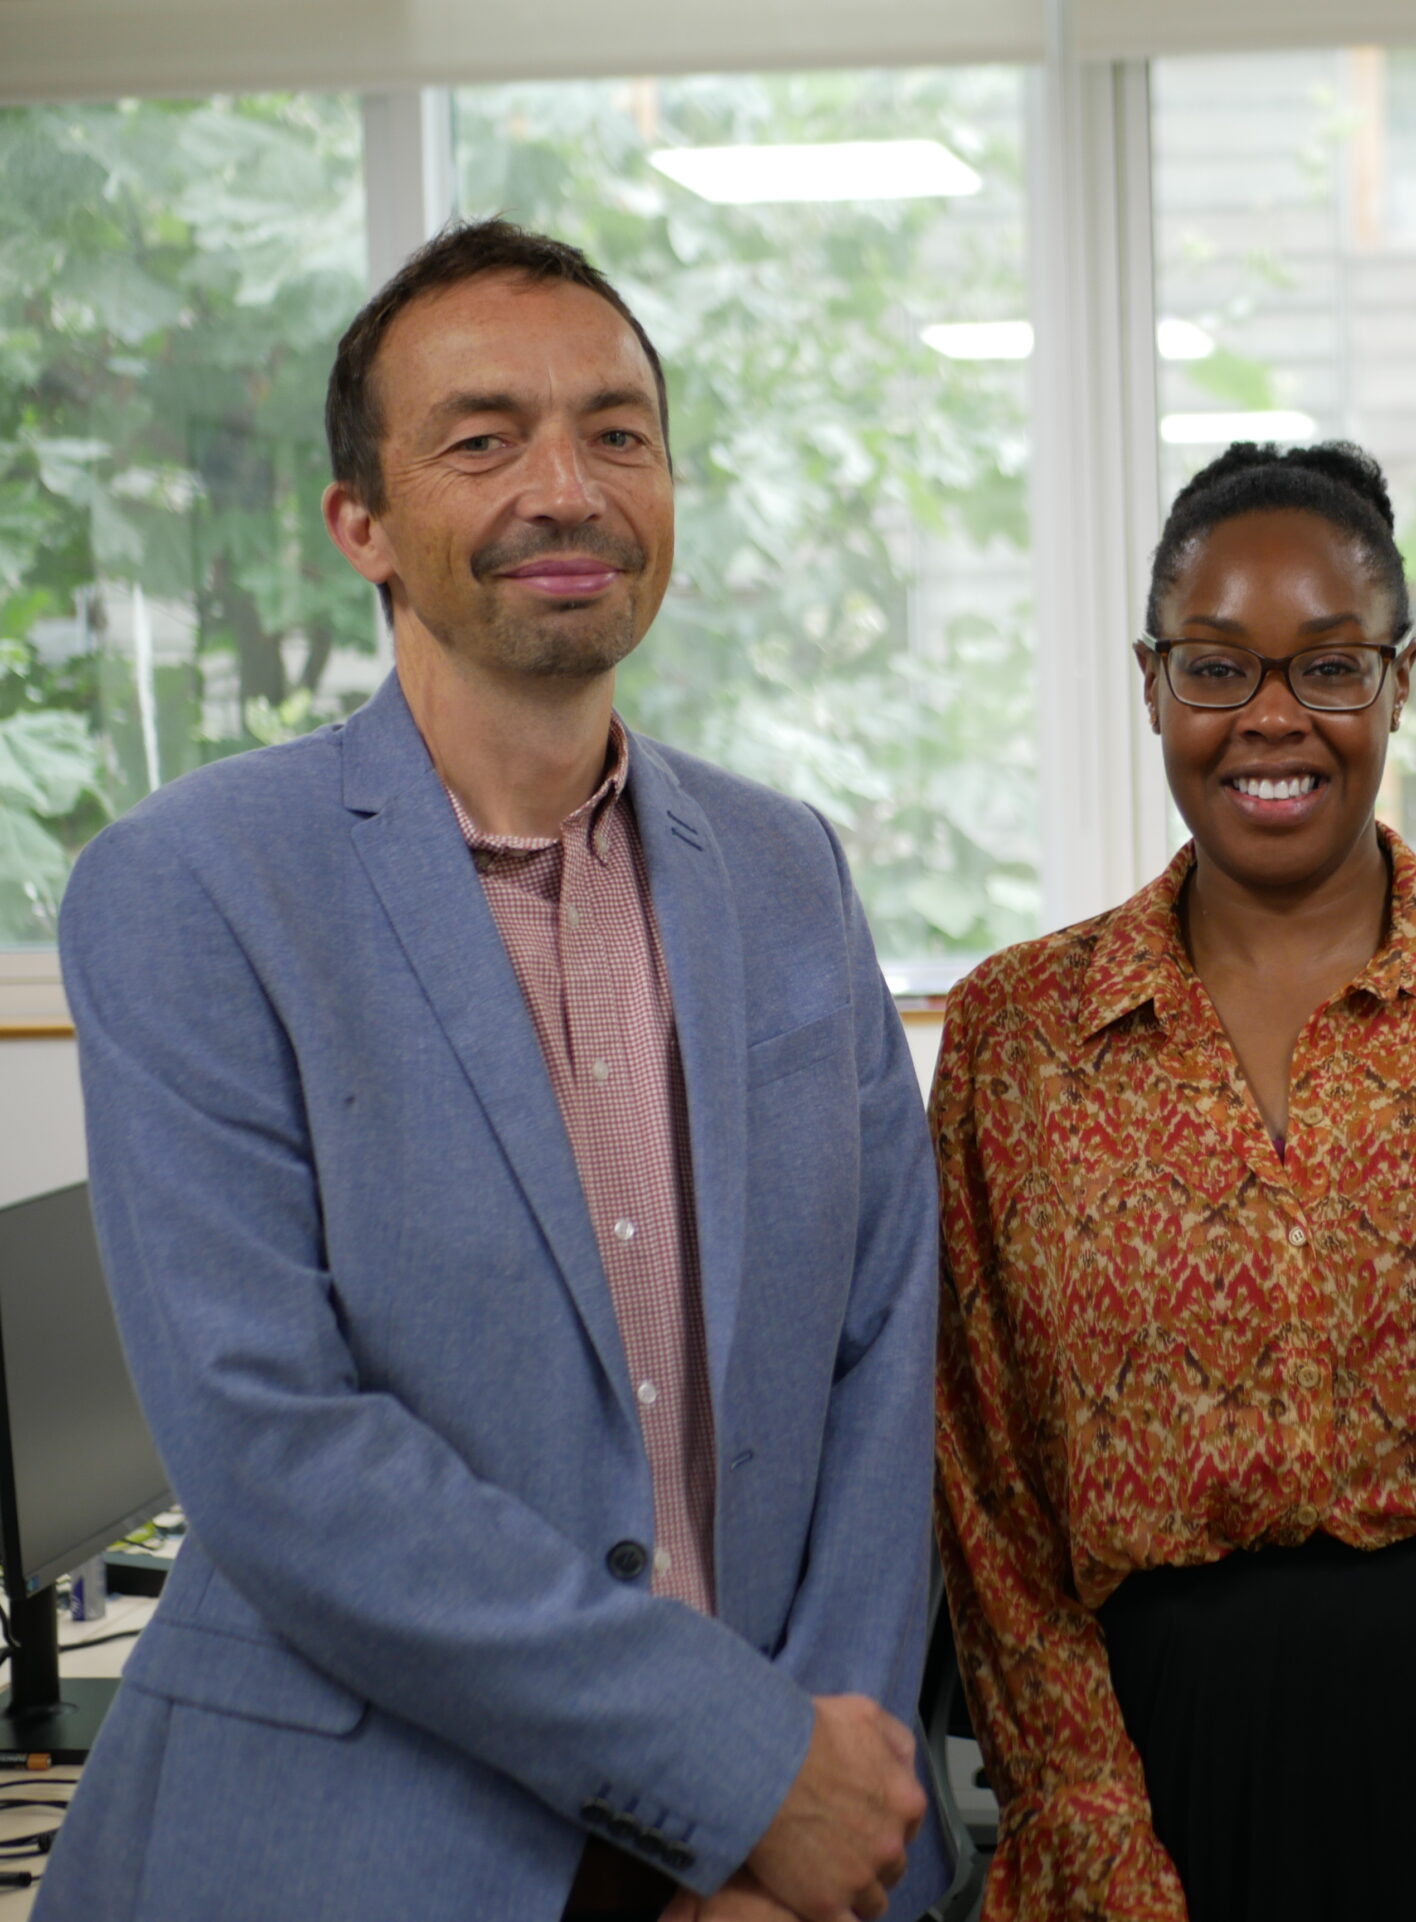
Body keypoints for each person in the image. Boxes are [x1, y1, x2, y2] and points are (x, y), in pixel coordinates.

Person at [43, 219, 945, 1922]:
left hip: (788, 1860)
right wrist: (742, 1765)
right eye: (483, 439)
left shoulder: (788, 868)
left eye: (617, 433)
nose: (567, 489)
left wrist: (829, 1823)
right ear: (360, 524)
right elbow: (275, 1445)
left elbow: (885, 1361)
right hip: (354, 1854)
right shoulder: (193, 888)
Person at [931, 440, 1416, 1922]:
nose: (1273, 718)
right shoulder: (1016, 1037)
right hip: (1163, 1775)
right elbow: (984, 1488)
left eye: (1330, 666)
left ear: (1401, 680)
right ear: (1151, 683)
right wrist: (1092, 1825)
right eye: (1216, 667)